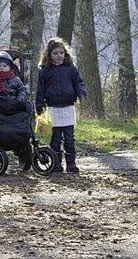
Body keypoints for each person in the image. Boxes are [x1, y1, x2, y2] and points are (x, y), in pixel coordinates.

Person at [36, 37, 86, 173]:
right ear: (49, 55)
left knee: (69, 138)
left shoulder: (71, 69)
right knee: (56, 139)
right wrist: (39, 105)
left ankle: (71, 164)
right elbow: (40, 90)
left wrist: (81, 93)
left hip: (68, 107)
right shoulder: (44, 71)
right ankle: (56, 164)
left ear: (65, 54)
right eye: (56, 53)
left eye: (61, 53)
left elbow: (78, 83)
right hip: (53, 108)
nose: (59, 56)